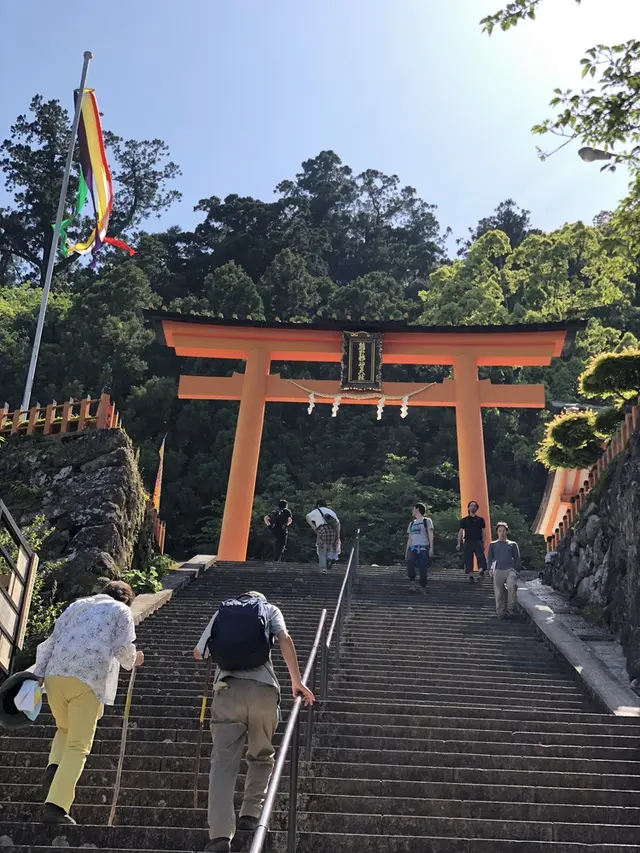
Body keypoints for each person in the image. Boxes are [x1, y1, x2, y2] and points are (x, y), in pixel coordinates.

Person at [193, 591, 314, 853]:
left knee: (223, 764)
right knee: (261, 754)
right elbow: (285, 638)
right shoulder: (269, 609)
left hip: (227, 691)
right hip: (263, 691)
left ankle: (220, 836)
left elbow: (198, 653)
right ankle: (250, 814)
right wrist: (297, 681)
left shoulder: (222, 612)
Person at [33, 580, 144, 825]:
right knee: (78, 746)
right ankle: (56, 806)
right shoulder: (121, 611)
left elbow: (51, 641)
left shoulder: (78, 605)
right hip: (88, 680)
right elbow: (124, 649)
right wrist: (134, 660)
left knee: (64, 728)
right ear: (127, 600)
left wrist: (38, 675)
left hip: (55, 676)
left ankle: (54, 767)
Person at [488, 521, 522, 618]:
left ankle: (511, 609)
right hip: (498, 569)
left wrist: (517, 570)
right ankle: (501, 612)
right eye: (500, 531)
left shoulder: (513, 544)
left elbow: (517, 558)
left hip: (510, 569)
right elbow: (489, 558)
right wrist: (489, 569)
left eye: (503, 531)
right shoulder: (493, 545)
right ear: (497, 532)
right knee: (499, 592)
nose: (502, 533)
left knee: (512, 586)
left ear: (507, 531)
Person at [405, 502, 434, 595]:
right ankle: (412, 581)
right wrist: (406, 551)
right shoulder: (412, 523)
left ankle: (423, 586)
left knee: (423, 568)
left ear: (417, 509)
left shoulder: (427, 521)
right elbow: (410, 538)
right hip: (413, 548)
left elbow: (430, 535)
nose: (412, 511)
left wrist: (431, 548)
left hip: (423, 548)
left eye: (413, 509)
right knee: (410, 561)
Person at [457, 500, 488, 583]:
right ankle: (470, 575)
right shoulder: (464, 520)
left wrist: (483, 542)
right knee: (468, 558)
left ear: (477, 508)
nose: (473, 507)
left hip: (478, 540)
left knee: (480, 557)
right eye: (471, 505)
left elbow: (483, 531)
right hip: (468, 541)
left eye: (474, 506)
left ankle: (480, 571)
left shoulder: (480, 520)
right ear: (468, 508)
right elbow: (460, 531)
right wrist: (459, 543)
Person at [306, 502, 341, 574]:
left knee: (321, 550)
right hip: (332, 530)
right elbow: (337, 523)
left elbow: (307, 516)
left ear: (318, 505)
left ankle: (323, 569)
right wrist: (338, 536)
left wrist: (314, 527)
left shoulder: (316, 511)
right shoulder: (331, 511)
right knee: (330, 547)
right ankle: (329, 558)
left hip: (322, 529)